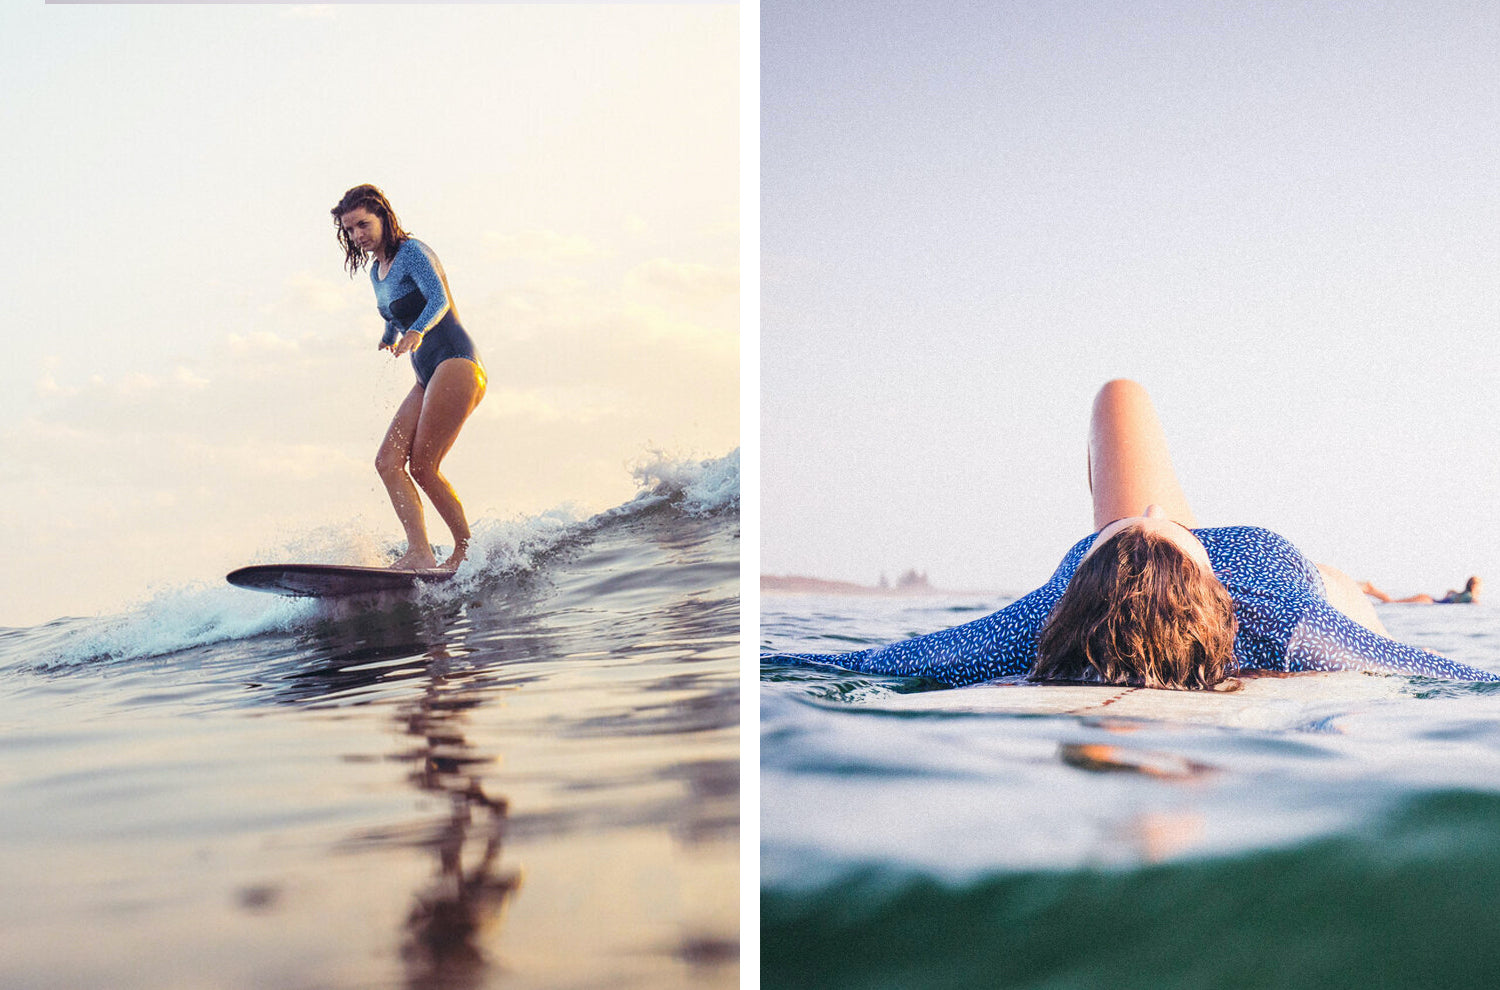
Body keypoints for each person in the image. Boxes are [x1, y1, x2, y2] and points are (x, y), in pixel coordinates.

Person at [765, 380, 1498, 689]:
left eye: (1122, 529)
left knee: (1122, 393)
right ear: (1217, 591)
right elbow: (1449, 676)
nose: (1149, 514)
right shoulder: (1295, 627)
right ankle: (1408, 593)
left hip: (1156, 598)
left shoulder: (1035, 627)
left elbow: (871, 661)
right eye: (1147, 526)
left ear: (1080, 583)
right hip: (1303, 581)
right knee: (1350, 590)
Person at [332, 184, 487, 571]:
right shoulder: (376, 270)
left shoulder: (412, 252)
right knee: (387, 462)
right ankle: (419, 552)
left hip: (456, 361)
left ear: (384, 216)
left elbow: (437, 300)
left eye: (364, 225)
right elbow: (392, 313)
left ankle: (466, 552)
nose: (358, 235)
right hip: (426, 372)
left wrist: (415, 331)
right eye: (350, 230)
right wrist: (389, 335)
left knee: (423, 465)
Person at [1360, 576, 1482, 605]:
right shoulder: (1469, 597)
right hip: (1428, 601)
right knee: (1392, 602)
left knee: (1393, 602)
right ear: (1474, 586)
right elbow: (1476, 603)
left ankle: (1371, 589)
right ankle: (1370, 588)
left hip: (1427, 599)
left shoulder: (1461, 594)